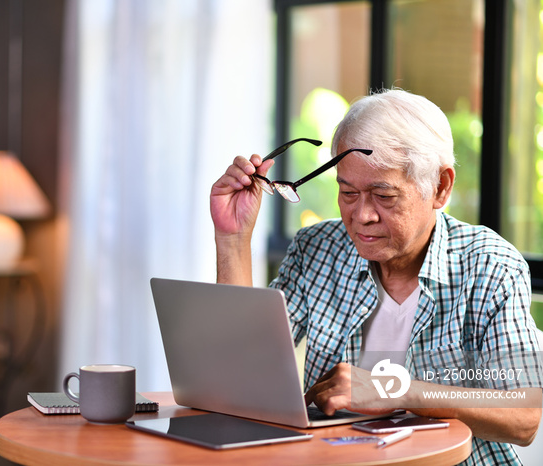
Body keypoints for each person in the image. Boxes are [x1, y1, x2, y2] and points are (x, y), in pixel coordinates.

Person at [210, 89, 542, 465]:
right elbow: (241, 375)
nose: (362, 215)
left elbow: (523, 415)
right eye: (348, 192)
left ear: (440, 187)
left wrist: (396, 391)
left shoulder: (490, 266)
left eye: (383, 196)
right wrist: (234, 238)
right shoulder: (316, 250)